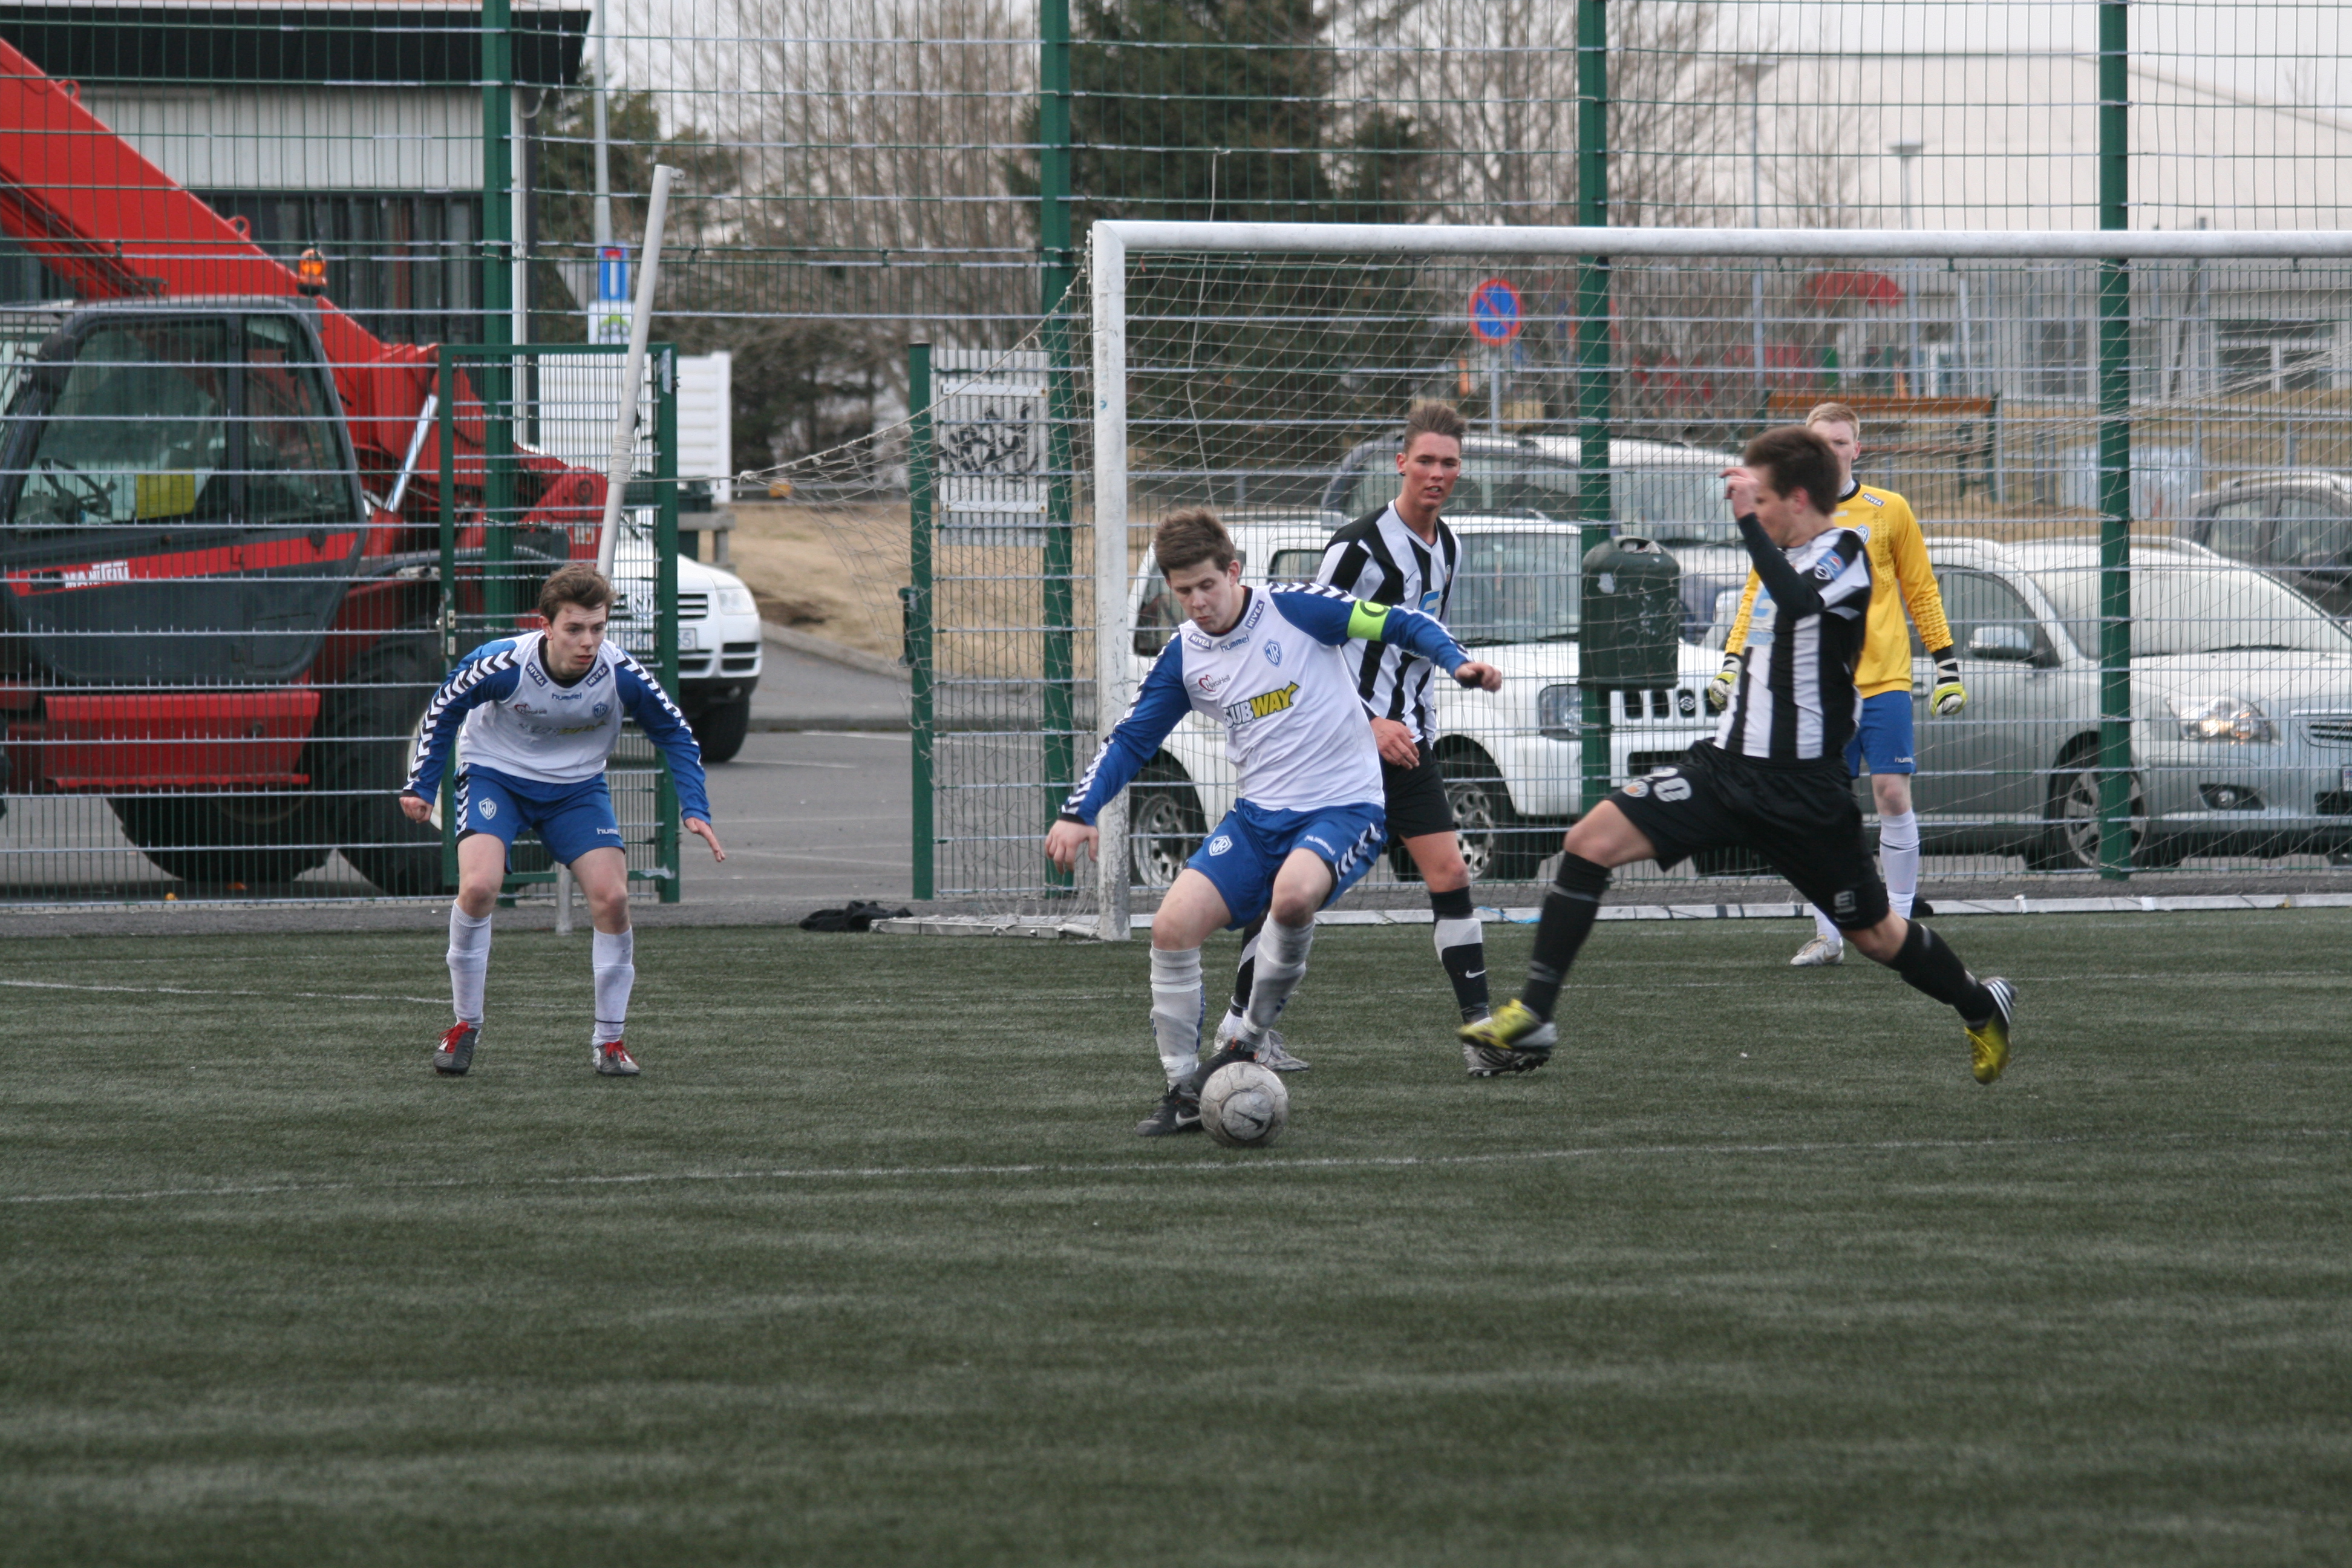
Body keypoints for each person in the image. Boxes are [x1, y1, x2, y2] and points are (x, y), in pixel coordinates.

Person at [1462, 427, 2015, 1086]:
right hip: (1723, 773)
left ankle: (1981, 1005)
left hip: (1802, 794)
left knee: (1875, 935)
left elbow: (1802, 603)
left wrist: (1748, 523)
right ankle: (1536, 1014)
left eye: (1764, 498)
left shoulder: (1845, 551)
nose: (1752, 509)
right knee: (1587, 842)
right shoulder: (1779, 557)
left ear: (1798, 499)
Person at [1047, 508, 1501, 1135]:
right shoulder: (1185, 656)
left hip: (1346, 806)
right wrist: (1079, 811)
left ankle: (1246, 1040)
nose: (1198, 603)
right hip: (1257, 820)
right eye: (1183, 591)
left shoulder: (1295, 608)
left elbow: (1400, 621)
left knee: (1292, 897)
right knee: (1172, 926)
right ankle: (1182, 1091)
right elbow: (1129, 741)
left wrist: (1456, 662)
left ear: (1234, 572)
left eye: (1208, 585)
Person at [1213, 400, 1505, 1076]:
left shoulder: (1449, 546)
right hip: (1344, 745)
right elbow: (1310, 639)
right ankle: (1240, 1026)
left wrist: (1425, 712)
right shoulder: (1357, 547)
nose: (1437, 473)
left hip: (1409, 746)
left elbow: (1415, 649)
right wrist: (1369, 722)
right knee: (1295, 890)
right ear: (1401, 463)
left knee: (1450, 873)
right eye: (1425, 460)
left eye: (1449, 463)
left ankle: (1481, 1037)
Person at [401, 563, 727, 1079]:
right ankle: (464, 1025)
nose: (588, 642)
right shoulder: (503, 663)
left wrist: (695, 807)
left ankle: (610, 1041)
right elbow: (445, 707)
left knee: (613, 899)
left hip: (576, 790)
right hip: (496, 777)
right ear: (546, 626)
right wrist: (421, 785)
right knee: (480, 887)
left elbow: (676, 734)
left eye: (598, 628)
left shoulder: (621, 673)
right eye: (574, 628)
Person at [1708, 400, 1964, 966]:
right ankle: (1829, 935)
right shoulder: (1791, 513)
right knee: (1820, 810)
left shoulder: (1890, 510)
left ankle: (1899, 924)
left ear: (1857, 449)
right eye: (1820, 444)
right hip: (1818, 689)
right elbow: (1759, 591)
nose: (1832, 452)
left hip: (1884, 676)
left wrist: (1946, 664)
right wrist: (1732, 659)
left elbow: (1921, 589)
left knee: (1892, 792)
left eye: (1841, 443)